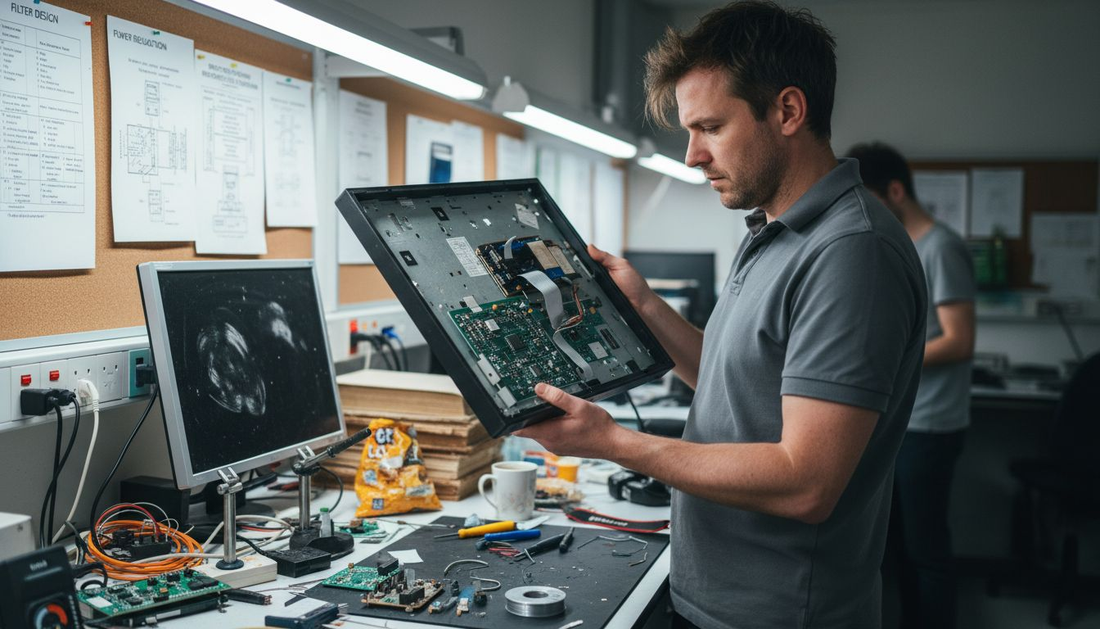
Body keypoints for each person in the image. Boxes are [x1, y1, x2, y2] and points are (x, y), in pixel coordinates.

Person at [515, 2, 929, 627]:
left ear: (788, 111)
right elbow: (739, 384)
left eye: (709, 127)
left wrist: (615, 444)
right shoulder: (774, 229)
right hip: (718, 600)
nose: (691, 156)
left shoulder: (852, 253)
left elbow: (806, 481)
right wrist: (645, 305)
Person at [846, 142, 976, 629]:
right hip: (899, 421)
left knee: (925, 551)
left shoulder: (940, 247)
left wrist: (879, 362)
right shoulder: (892, 244)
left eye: (868, 197)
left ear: (895, 191)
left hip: (929, 426)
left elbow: (960, 341)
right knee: (893, 548)